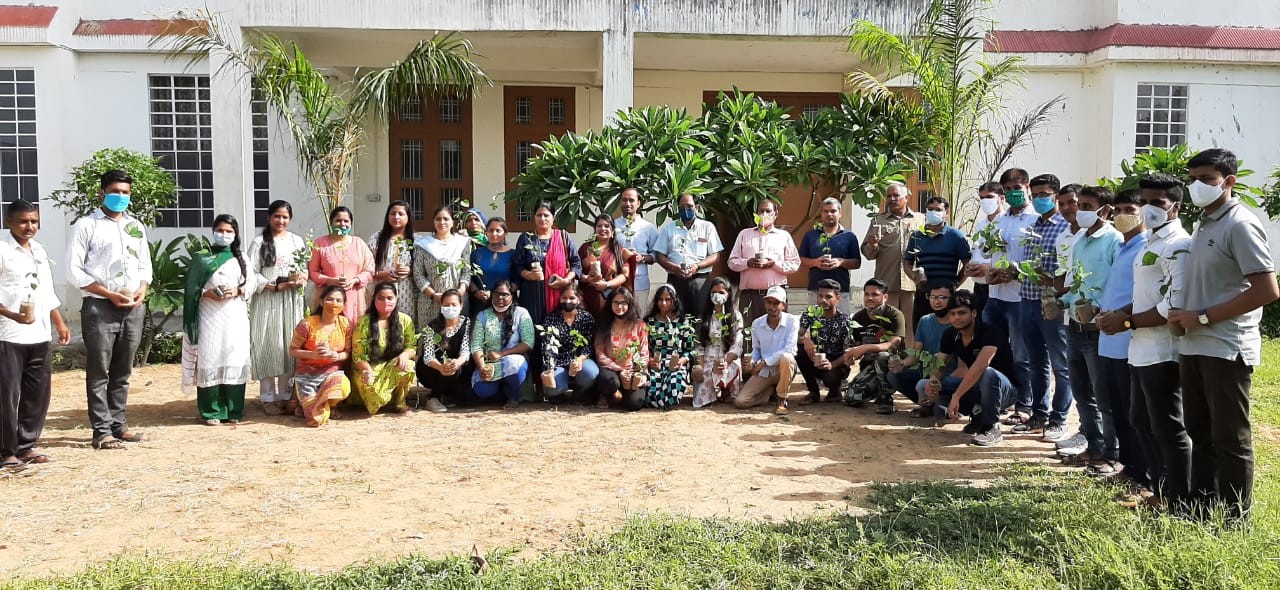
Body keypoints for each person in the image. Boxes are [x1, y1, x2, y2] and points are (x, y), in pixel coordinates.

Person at [1167, 148, 1278, 522]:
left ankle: (1233, 519)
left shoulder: (1240, 224)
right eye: (1193, 178)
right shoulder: (1205, 222)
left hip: (1226, 346)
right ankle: (1200, 508)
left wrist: (1202, 316)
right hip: (1195, 342)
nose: (1197, 186)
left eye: (1207, 179)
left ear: (1228, 182)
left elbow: (1266, 290)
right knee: (1200, 429)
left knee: (1231, 438)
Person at [67, 169, 151, 450]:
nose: (120, 197)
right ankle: (101, 431)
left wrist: (142, 289)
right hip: (100, 307)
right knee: (99, 370)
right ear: (102, 192)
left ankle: (119, 425)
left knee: (123, 370)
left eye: (125, 192)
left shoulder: (136, 226)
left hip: (132, 308)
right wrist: (108, 294)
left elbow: (144, 265)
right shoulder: (86, 226)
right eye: (115, 191)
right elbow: (74, 271)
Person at [1126, 172, 1193, 511]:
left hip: (1165, 350)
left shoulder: (1179, 246)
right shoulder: (1150, 242)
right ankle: (1159, 489)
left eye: (1157, 203)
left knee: (1168, 427)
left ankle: (1179, 499)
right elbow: (1144, 296)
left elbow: (1173, 305)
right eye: (1144, 202)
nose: (1148, 209)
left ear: (1175, 207)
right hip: (1141, 348)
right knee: (1140, 420)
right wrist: (1122, 315)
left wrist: (1126, 320)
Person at [0, 199, 70, 468]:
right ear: (9, 222)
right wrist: (12, 315)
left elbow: (46, 292)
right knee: (7, 395)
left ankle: (27, 445)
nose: (29, 226)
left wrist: (59, 323)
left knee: (37, 393)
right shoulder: (3, 250)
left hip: (39, 335)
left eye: (34, 221)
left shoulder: (39, 251)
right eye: (23, 221)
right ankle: (6, 451)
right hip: (8, 335)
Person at [1054, 186, 1121, 468]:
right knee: (1082, 393)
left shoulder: (1114, 240)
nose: (1079, 211)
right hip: (1075, 326)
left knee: (1103, 394)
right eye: (1079, 205)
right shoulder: (1080, 238)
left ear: (1104, 210)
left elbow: (1117, 285)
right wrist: (1062, 301)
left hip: (1098, 329)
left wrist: (1100, 310)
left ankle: (1112, 452)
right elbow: (1075, 282)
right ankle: (1092, 446)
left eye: (1087, 205)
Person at [1094, 191, 1151, 488]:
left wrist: (1120, 317)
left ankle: (1141, 472)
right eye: (1118, 209)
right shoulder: (1123, 245)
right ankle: (1128, 466)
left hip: (1128, 337)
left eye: (1130, 208)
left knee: (1133, 412)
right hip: (1109, 340)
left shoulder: (1145, 247)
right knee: (1117, 406)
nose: (1122, 214)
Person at [1012, 173, 1072, 438]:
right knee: (1036, 362)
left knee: (1061, 364)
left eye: (1044, 195)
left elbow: (1068, 271)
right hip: (1027, 299)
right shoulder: (1034, 224)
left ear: (1056, 196)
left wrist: (1045, 277)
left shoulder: (1065, 227)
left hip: (1052, 303)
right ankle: (1039, 414)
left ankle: (1059, 419)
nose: (1039, 199)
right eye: (1035, 195)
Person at [182, 214, 253, 425]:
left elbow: (252, 283)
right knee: (210, 356)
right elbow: (190, 288)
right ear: (213, 231)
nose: (224, 235)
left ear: (235, 234)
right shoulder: (202, 257)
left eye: (229, 231)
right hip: (209, 315)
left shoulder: (242, 258)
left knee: (233, 357)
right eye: (220, 231)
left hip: (234, 315)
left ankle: (234, 410)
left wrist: (238, 290)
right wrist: (206, 292)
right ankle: (211, 411)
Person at [979, 169, 1037, 427]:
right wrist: (990, 273)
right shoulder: (998, 222)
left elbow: (1037, 261)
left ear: (1026, 187)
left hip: (1021, 298)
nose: (1013, 192)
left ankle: (1026, 405)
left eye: (1017, 187)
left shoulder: (1036, 220)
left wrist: (1013, 273)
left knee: (1023, 356)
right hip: (995, 296)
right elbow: (991, 255)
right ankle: (1003, 398)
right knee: (995, 351)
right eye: (1008, 189)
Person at [932, 290, 1020, 447]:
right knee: (924, 385)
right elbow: (940, 363)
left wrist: (956, 396)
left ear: (973, 313)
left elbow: (980, 366)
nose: (956, 318)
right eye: (952, 314)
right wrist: (932, 381)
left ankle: (991, 428)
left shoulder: (990, 332)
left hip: (1005, 390)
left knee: (988, 373)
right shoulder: (950, 334)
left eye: (962, 313)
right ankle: (977, 413)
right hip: (977, 386)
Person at [248, 200, 308, 415]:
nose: (280, 221)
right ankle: (267, 397)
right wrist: (272, 286)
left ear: (290, 219)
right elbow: (251, 273)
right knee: (268, 344)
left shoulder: (297, 241)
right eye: (277, 216)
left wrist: (301, 278)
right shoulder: (259, 243)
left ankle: (285, 395)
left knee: (287, 346)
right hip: (268, 300)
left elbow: (304, 268)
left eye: (285, 217)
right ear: (269, 217)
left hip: (291, 301)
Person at [861, 181, 925, 344]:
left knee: (910, 326)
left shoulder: (920, 219)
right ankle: (887, 361)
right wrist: (872, 245)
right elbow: (868, 254)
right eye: (889, 196)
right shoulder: (878, 221)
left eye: (896, 195)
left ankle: (909, 362)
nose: (892, 199)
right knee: (887, 325)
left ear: (906, 198)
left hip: (912, 284)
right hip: (887, 283)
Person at [289, 285, 353, 427]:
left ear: (343, 304)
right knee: (315, 421)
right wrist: (313, 355)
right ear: (321, 302)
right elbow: (293, 350)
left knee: (343, 386)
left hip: (331, 375)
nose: (334, 304)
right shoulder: (307, 324)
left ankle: (328, 404)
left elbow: (347, 353)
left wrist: (336, 356)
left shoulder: (345, 324)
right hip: (307, 376)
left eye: (338, 300)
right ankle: (311, 402)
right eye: (329, 299)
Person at [903, 196, 970, 333]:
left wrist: (956, 283)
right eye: (930, 209)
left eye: (938, 209)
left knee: (949, 331)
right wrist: (915, 278)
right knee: (921, 331)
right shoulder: (917, 236)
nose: (934, 212)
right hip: (924, 294)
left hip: (947, 295)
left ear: (946, 212)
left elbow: (967, 263)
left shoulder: (956, 236)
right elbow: (907, 262)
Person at [728, 198, 800, 323]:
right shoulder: (744, 234)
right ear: (756, 214)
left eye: (768, 211)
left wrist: (774, 264)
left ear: (775, 214)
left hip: (776, 296)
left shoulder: (783, 236)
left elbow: (794, 263)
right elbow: (732, 262)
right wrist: (747, 263)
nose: (764, 214)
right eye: (761, 211)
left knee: (777, 333)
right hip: (749, 296)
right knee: (749, 334)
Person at [887, 282, 954, 417]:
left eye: (942, 297)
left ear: (952, 298)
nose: (937, 301)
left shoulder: (957, 322)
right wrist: (901, 364)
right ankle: (925, 403)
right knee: (893, 375)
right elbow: (916, 354)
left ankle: (940, 404)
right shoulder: (925, 321)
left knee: (940, 413)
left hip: (950, 375)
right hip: (926, 373)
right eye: (932, 297)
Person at [351, 283, 417, 416]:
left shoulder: (405, 320)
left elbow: (411, 347)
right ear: (374, 299)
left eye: (389, 298)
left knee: (408, 366)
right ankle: (381, 400)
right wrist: (367, 371)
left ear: (396, 299)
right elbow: (358, 355)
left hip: (393, 365)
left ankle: (400, 402)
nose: (385, 302)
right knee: (371, 391)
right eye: (380, 298)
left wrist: (404, 356)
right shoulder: (364, 322)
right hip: (369, 367)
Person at [513, 202, 582, 326]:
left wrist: (566, 280)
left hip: (559, 295)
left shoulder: (563, 237)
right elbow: (517, 266)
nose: (542, 218)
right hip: (532, 296)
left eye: (546, 215)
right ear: (534, 217)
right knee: (533, 333)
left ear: (553, 217)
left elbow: (576, 264)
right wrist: (529, 275)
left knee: (557, 333)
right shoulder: (526, 238)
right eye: (539, 215)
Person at [844, 278, 907, 414]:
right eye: (866, 294)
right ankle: (877, 390)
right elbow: (856, 345)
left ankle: (886, 397)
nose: (869, 298)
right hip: (869, 366)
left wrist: (866, 348)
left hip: (893, 366)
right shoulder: (858, 318)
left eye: (875, 294)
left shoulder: (895, 315)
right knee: (852, 398)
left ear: (885, 297)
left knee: (882, 355)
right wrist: (850, 355)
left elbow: (893, 344)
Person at [654, 193, 723, 317]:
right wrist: (674, 268)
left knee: (700, 318)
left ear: (696, 208)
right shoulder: (669, 228)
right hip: (676, 280)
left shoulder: (707, 227)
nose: (685, 210)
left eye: (689, 206)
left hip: (700, 280)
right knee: (674, 316)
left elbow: (715, 255)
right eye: (682, 207)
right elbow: (659, 255)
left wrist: (697, 266)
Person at [470, 280, 535, 409]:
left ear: (512, 296)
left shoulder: (521, 313)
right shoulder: (483, 316)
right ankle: (500, 390)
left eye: (505, 294)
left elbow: (528, 343)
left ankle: (513, 397)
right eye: (496, 293)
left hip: (513, 362)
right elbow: (476, 345)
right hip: (490, 364)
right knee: (481, 390)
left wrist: (502, 354)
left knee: (513, 364)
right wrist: (482, 367)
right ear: (491, 295)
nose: (500, 297)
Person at [734, 285, 798, 415]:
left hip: (784, 368)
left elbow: (790, 349)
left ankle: (782, 399)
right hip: (765, 371)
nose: (772, 307)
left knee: (787, 357)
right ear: (764, 303)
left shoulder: (792, 321)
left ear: (783, 305)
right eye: (769, 302)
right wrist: (753, 363)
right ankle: (767, 394)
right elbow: (756, 349)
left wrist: (764, 362)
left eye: (776, 303)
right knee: (741, 402)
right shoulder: (757, 323)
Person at [308, 206, 374, 324]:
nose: (342, 224)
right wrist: (330, 280)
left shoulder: (359, 243)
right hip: (329, 297)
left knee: (353, 330)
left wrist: (356, 280)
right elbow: (312, 272)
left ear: (351, 223)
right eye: (338, 221)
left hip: (355, 297)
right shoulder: (319, 244)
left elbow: (370, 270)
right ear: (331, 222)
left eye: (346, 221)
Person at [798, 198, 861, 316]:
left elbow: (857, 262)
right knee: (816, 326)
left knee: (842, 327)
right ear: (821, 214)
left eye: (833, 211)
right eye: (825, 211)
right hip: (816, 291)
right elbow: (800, 260)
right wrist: (815, 262)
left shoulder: (849, 236)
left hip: (840, 292)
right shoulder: (811, 235)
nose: (829, 214)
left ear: (840, 213)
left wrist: (840, 262)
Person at [797, 279, 854, 405]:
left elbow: (849, 351)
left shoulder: (844, 320)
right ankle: (813, 392)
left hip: (836, 362)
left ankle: (835, 391)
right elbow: (797, 335)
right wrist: (805, 339)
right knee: (798, 349)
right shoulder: (810, 313)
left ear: (837, 299)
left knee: (831, 378)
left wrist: (832, 365)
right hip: (816, 357)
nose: (823, 300)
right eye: (820, 296)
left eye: (828, 297)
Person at [413, 206, 473, 328]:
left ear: (452, 222)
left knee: (456, 337)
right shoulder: (423, 245)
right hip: (430, 300)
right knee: (429, 338)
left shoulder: (462, 243)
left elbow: (466, 271)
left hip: (456, 301)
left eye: (446, 219)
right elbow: (418, 274)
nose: (442, 222)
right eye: (438, 219)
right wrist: (433, 295)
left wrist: (459, 293)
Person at [538, 284, 598, 404]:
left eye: (571, 298)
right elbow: (548, 347)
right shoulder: (552, 319)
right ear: (559, 299)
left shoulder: (586, 318)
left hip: (580, 361)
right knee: (552, 387)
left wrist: (580, 360)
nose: (567, 301)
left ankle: (580, 391)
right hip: (558, 362)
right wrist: (549, 368)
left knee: (591, 373)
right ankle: (560, 394)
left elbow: (589, 345)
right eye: (564, 298)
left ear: (578, 299)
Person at [416, 289, 472, 413]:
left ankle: (446, 393)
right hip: (431, 370)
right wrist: (441, 367)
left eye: (454, 304)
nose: (450, 308)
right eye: (446, 305)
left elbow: (465, 349)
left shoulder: (466, 323)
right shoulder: (432, 326)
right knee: (445, 366)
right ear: (441, 306)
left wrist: (457, 362)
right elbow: (428, 356)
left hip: (455, 367)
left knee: (463, 388)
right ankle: (433, 397)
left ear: (461, 305)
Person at [594, 287, 649, 411]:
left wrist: (640, 372)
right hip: (612, 370)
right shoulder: (604, 324)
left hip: (632, 371)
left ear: (630, 304)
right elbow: (600, 354)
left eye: (623, 303)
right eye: (616, 303)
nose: (619, 307)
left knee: (635, 404)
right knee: (610, 382)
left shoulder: (640, 325)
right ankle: (607, 394)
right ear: (610, 304)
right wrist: (620, 370)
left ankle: (622, 396)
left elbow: (644, 353)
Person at [692, 277, 743, 408]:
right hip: (708, 359)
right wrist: (701, 366)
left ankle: (727, 391)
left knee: (727, 371)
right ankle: (711, 395)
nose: (717, 296)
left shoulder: (735, 316)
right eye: (714, 292)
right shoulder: (703, 317)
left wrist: (725, 362)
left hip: (727, 359)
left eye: (721, 293)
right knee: (702, 389)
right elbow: (698, 344)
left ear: (728, 294)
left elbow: (738, 343)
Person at [644, 284, 694, 410]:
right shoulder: (649, 322)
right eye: (660, 299)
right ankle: (661, 403)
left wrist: (681, 362)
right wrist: (650, 361)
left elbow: (690, 350)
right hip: (656, 365)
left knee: (674, 388)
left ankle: (665, 402)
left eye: (668, 299)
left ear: (674, 300)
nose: (664, 303)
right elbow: (644, 348)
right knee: (649, 390)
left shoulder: (683, 323)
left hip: (675, 366)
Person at [367, 200, 416, 319]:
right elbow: (366, 267)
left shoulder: (416, 240)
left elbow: (420, 269)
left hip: (406, 292)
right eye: (393, 213)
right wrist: (383, 274)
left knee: (404, 324)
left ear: (408, 217)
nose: (396, 217)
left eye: (401, 214)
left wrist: (409, 271)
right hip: (381, 290)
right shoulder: (377, 238)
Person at [579, 214, 633, 320]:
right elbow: (576, 270)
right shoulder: (585, 248)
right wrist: (586, 278)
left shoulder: (619, 251)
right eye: (599, 226)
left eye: (607, 226)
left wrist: (607, 284)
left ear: (613, 232)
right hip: (586, 299)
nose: (603, 229)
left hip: (609, 299)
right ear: (595, 230)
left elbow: (624, 275)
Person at [615, 188, 659, 316]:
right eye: (624, 200)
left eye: (631, 200)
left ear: (638, 203)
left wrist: (642, 258)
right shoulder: (613, 226)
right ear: (620, 202)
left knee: (639, 317)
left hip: (640, 281)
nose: (627, 204)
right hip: (618, 280)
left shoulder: (648, 227)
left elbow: (657, 255)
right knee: (619, 316)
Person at [964, 182, 1003, 318]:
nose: (985, 201)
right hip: (979, 285)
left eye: (989, 197)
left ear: (1001, 199)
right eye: (981, 198)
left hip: (998, 285)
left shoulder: (1007, 223)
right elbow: (977, 252)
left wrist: (989, 267)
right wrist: (970, 267)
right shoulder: (981, 225)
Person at [469, 217, 514, 315]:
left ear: (505, 233)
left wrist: (497, 295)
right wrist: (476, 292)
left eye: (498, 230)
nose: (494, 234)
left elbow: (517, 281)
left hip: (505, 305)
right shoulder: (476, 254)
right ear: (486, 233)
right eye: (491, 230)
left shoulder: (513, 255)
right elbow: (470, 277)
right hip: (480, 304)